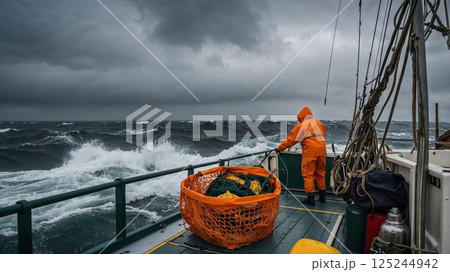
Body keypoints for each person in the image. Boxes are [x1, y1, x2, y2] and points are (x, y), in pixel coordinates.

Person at [275, 107, 327, 206]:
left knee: (308, 175)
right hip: (322, 150)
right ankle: (322, 197)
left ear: (301, 117)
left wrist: (280, 148)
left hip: (310, 151)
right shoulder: (319, 123)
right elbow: (323, 134)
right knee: (320, 173)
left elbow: (290, 140)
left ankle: (311, 199)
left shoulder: (301, 125)